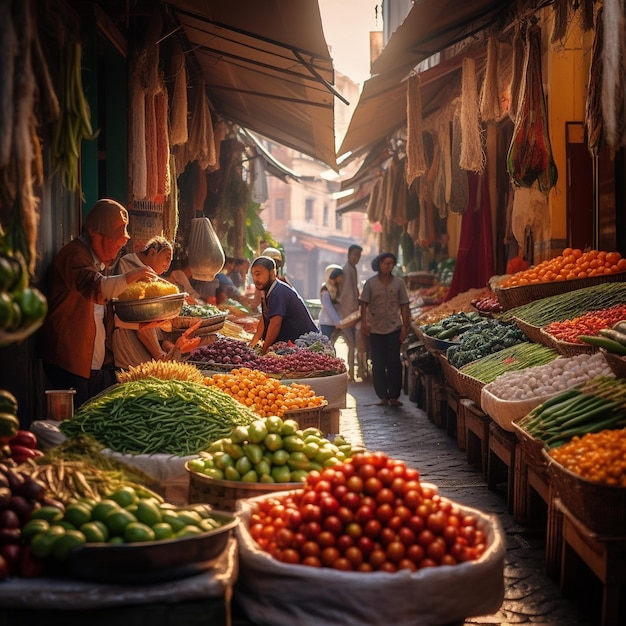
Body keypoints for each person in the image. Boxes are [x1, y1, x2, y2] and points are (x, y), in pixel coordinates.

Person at [40, 198, 158, 408]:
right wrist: (132, 276)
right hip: (69, 363)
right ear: (94, 233)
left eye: (121, 242)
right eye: (115, 240)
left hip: (93, 364)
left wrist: (139, 325)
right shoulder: (74, 256)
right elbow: (96, 289)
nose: (118, 247)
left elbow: (102, 314)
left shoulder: (97, 261)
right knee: (78, 424)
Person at [112, 236, 176, 368]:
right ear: (152, 252)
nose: (168, 265)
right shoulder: (127, 265)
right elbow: (141, 314)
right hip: (130, 350)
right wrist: (159, 354)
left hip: (149, 352)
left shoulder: (151, 274)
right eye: (167, 258)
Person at [359, 252, 410, 407]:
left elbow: (404, 305)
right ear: (379, 264)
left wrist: (405, 327)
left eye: (390, 263)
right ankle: (382, 396)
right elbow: (363, 304)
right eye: (384, 263)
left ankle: (394, 396)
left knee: (394, 362)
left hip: (394, 327)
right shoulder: (370, 283)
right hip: (375, 329)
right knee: (378, 363)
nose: (387, 266)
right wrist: (364, 323)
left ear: (393, 265)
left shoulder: (399, 283)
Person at [249, 256, 317, 354]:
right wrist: (251, 346)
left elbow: (275, 324)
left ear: (272, 273)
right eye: (253, 275)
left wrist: (263, 351)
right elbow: (264, 321)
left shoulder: (277, 293)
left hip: (306, 345)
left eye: (258, 274)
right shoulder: (268, 291)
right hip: (292, 346)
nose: (255, 279)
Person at [335, 244, 363, 380]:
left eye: (359, 255)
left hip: (350, 314)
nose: (357, 258)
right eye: (355, 255)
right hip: (346, 314)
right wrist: (355, 312)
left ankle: (351, 371)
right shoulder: (347, 270)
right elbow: (347, 295)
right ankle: (349, 372)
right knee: (351, 344)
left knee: (352, 345)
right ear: (349, 255)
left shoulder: (352, 269)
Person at [318, 265, 344, 341]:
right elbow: (329, 307)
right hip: (327, 322)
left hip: (334, 323)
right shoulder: (325, 289)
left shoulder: (336, 289)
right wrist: (338, 322)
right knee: (327, 344)